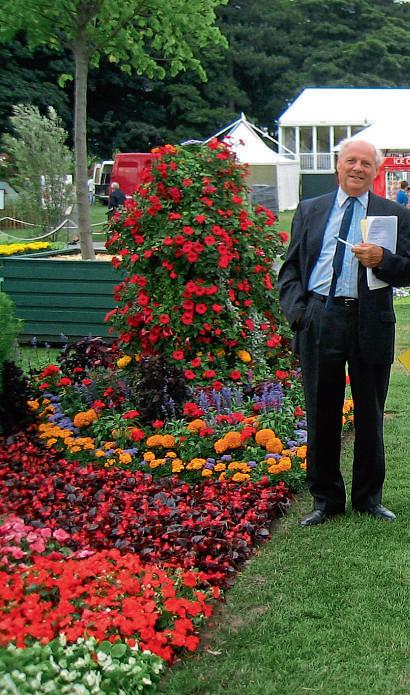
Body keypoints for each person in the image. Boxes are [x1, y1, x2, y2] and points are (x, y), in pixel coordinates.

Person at [278, 139, 410, 526]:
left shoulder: (395, 214)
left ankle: (368, 498)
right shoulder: (310, 210)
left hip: (370, 321)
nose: (358, 168)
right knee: (322, 411)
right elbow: (290, 269)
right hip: (321, 317)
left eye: (366, 163)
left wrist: (383, 260)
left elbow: (407, 269)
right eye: (351, 161)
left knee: (370, 412)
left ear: (376, 172)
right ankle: (326, 499)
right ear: (338, 166)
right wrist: (299, 314)